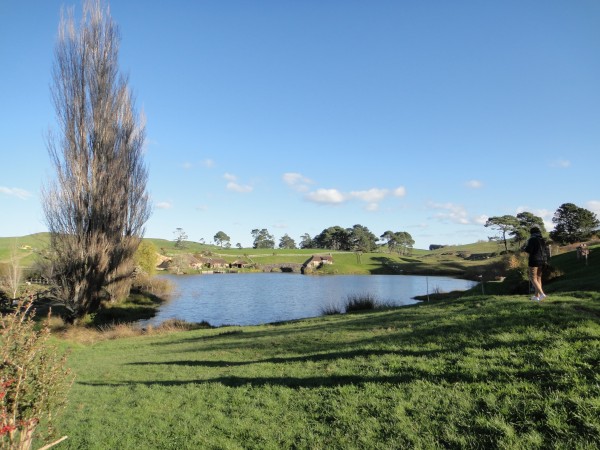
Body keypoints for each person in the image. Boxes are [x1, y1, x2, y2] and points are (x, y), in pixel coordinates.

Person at [523, 226, 547, 301]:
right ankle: (537, 296)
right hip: (543, 260)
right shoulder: (542, 239)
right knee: (538, 278)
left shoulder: (532, 239)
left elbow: (529, 250)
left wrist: (524, 248)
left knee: (533, 278)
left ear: (531, 233)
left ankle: (542, 294)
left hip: (534, 260)